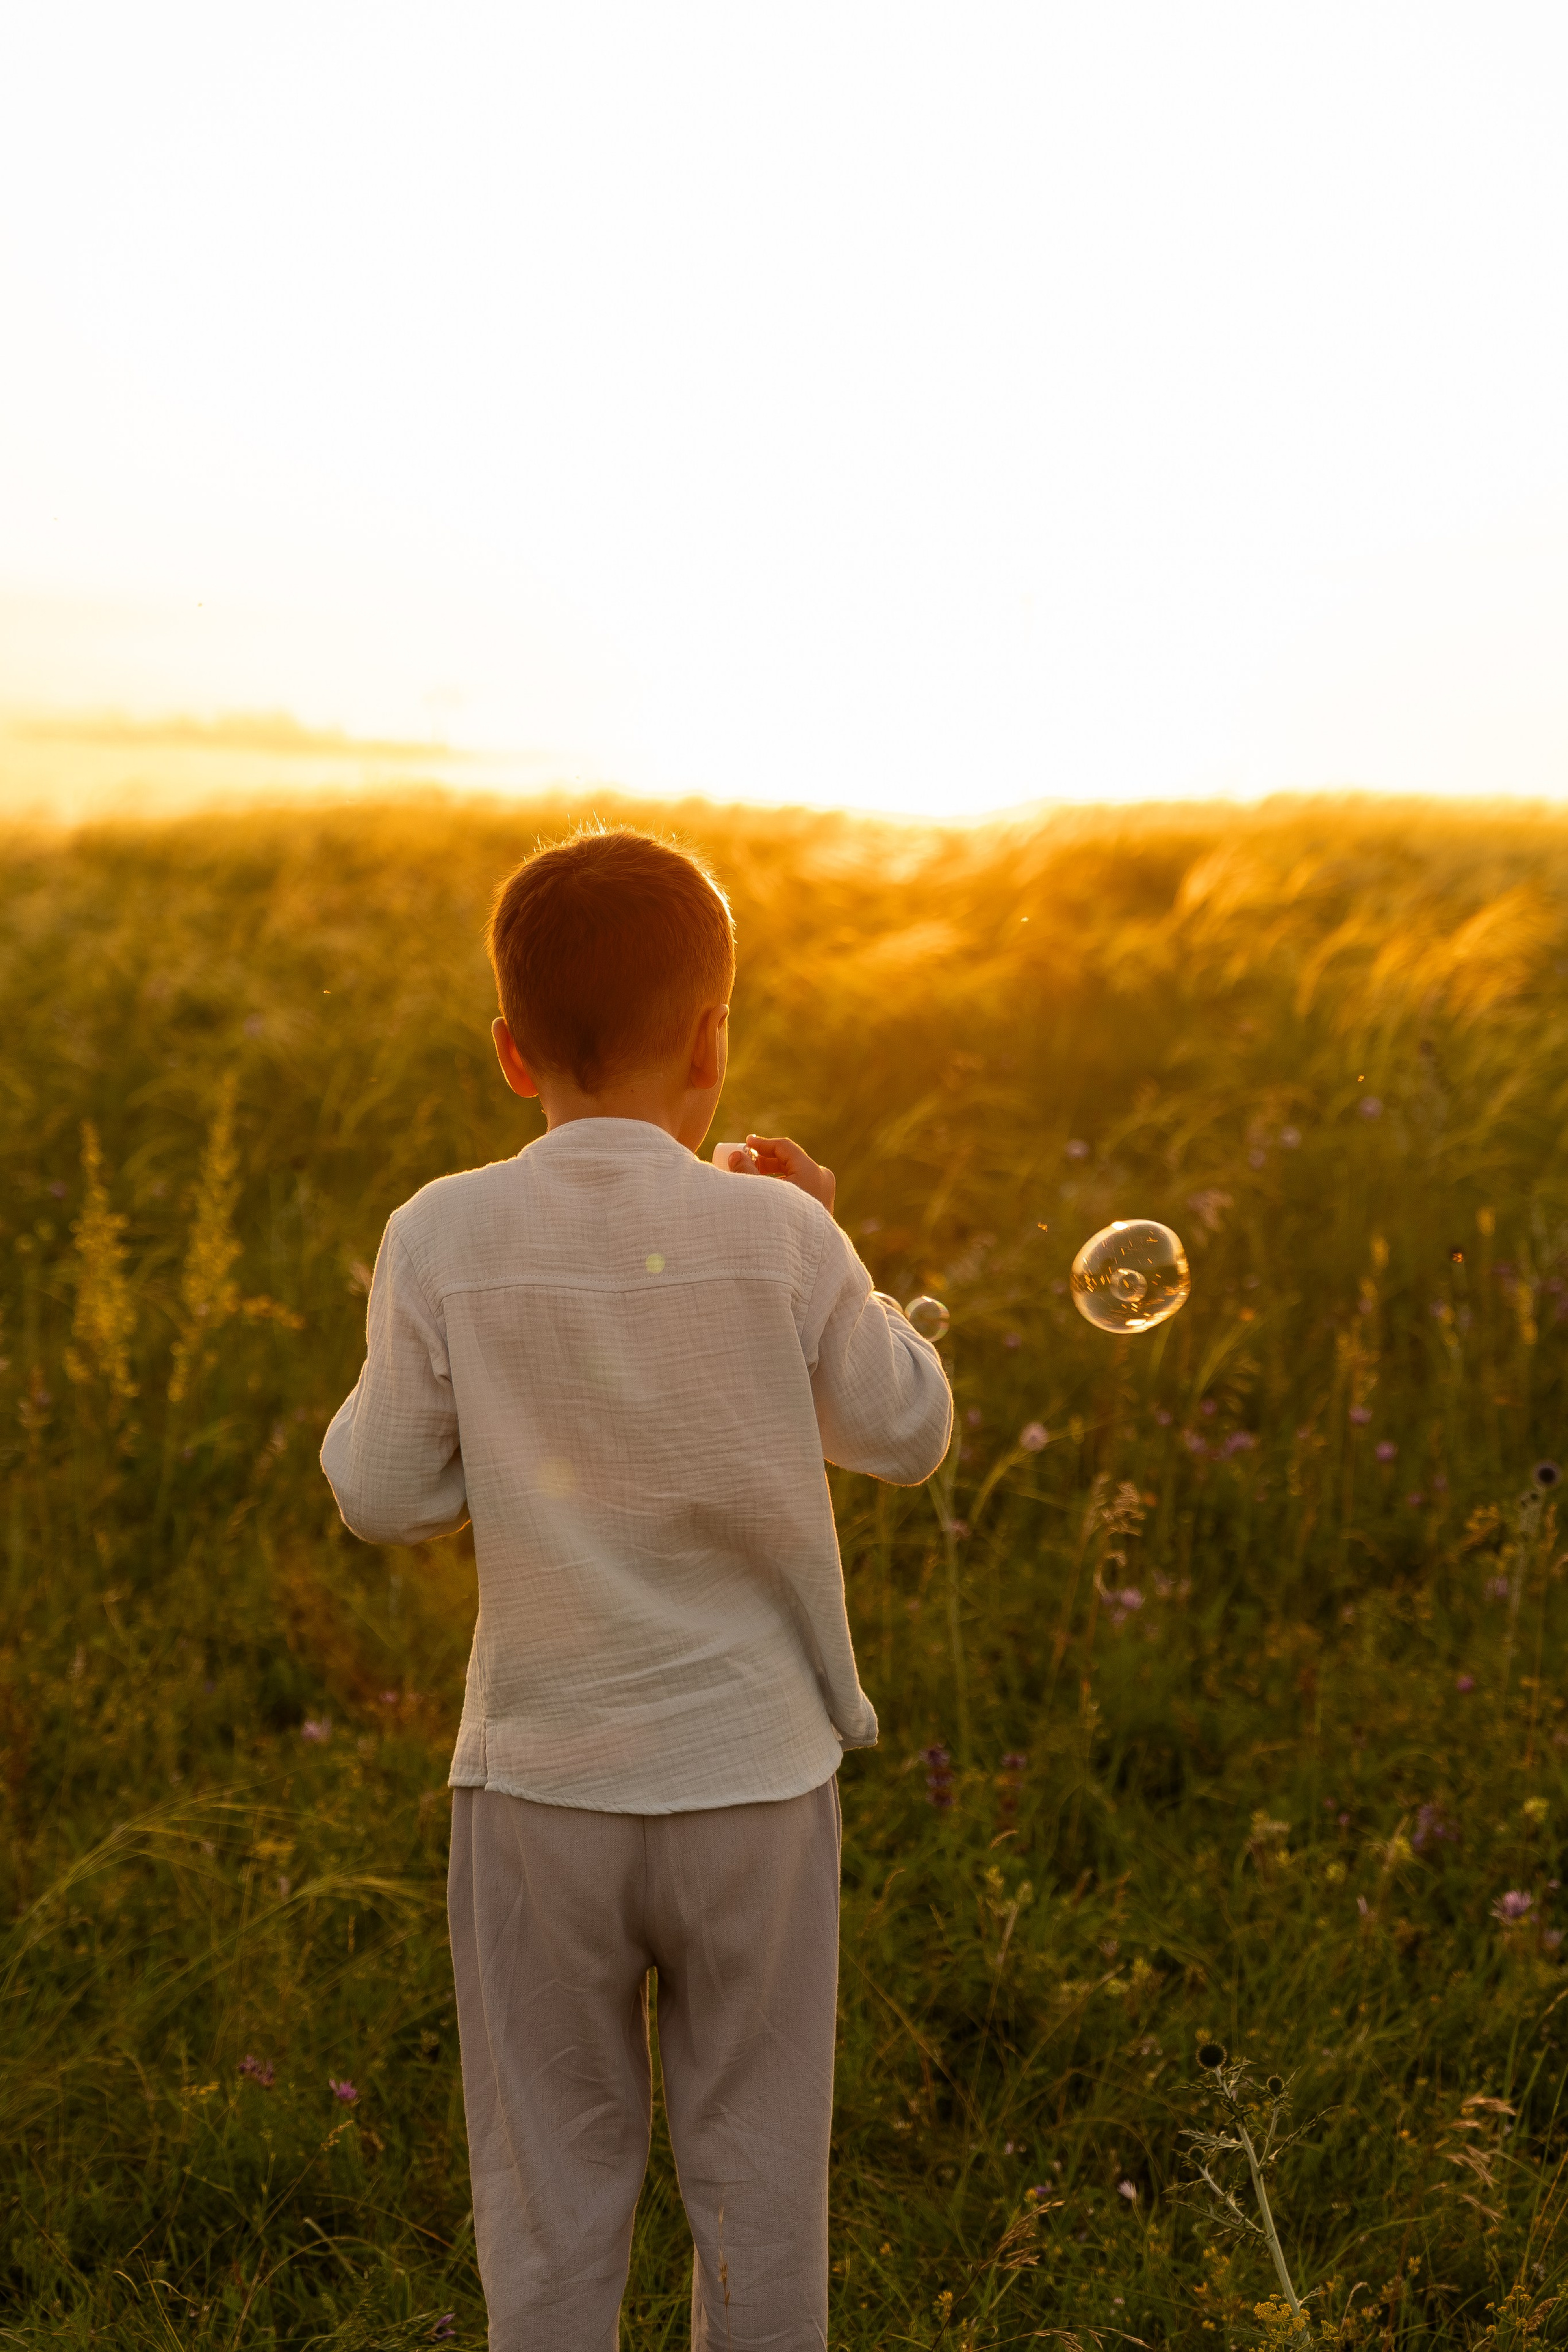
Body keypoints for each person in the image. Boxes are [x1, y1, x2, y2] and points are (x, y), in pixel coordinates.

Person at [320, 824, 952, 2350]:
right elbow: (906, 1431)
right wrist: (837, 1251)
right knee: (757, 2187)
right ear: (712, 1034)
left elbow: (381, 1491)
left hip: (542, 1788)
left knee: (548, 2191)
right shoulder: (780, 1230)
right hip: (754, 1786)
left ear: (510, 1052)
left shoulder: (442, 1230)